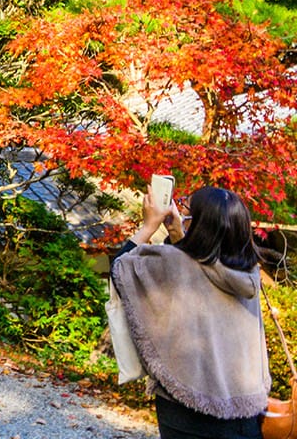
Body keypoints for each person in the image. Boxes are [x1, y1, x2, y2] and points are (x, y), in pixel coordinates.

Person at [110, 186, 270, 439]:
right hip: (246, 411)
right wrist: (177, 232)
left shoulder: (171, 261)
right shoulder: (247, 272)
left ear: (197, 222)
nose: (180, 207)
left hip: (188, 406)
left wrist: (150, 225)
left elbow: (121, 269)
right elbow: (204, 265)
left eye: (185, 205)